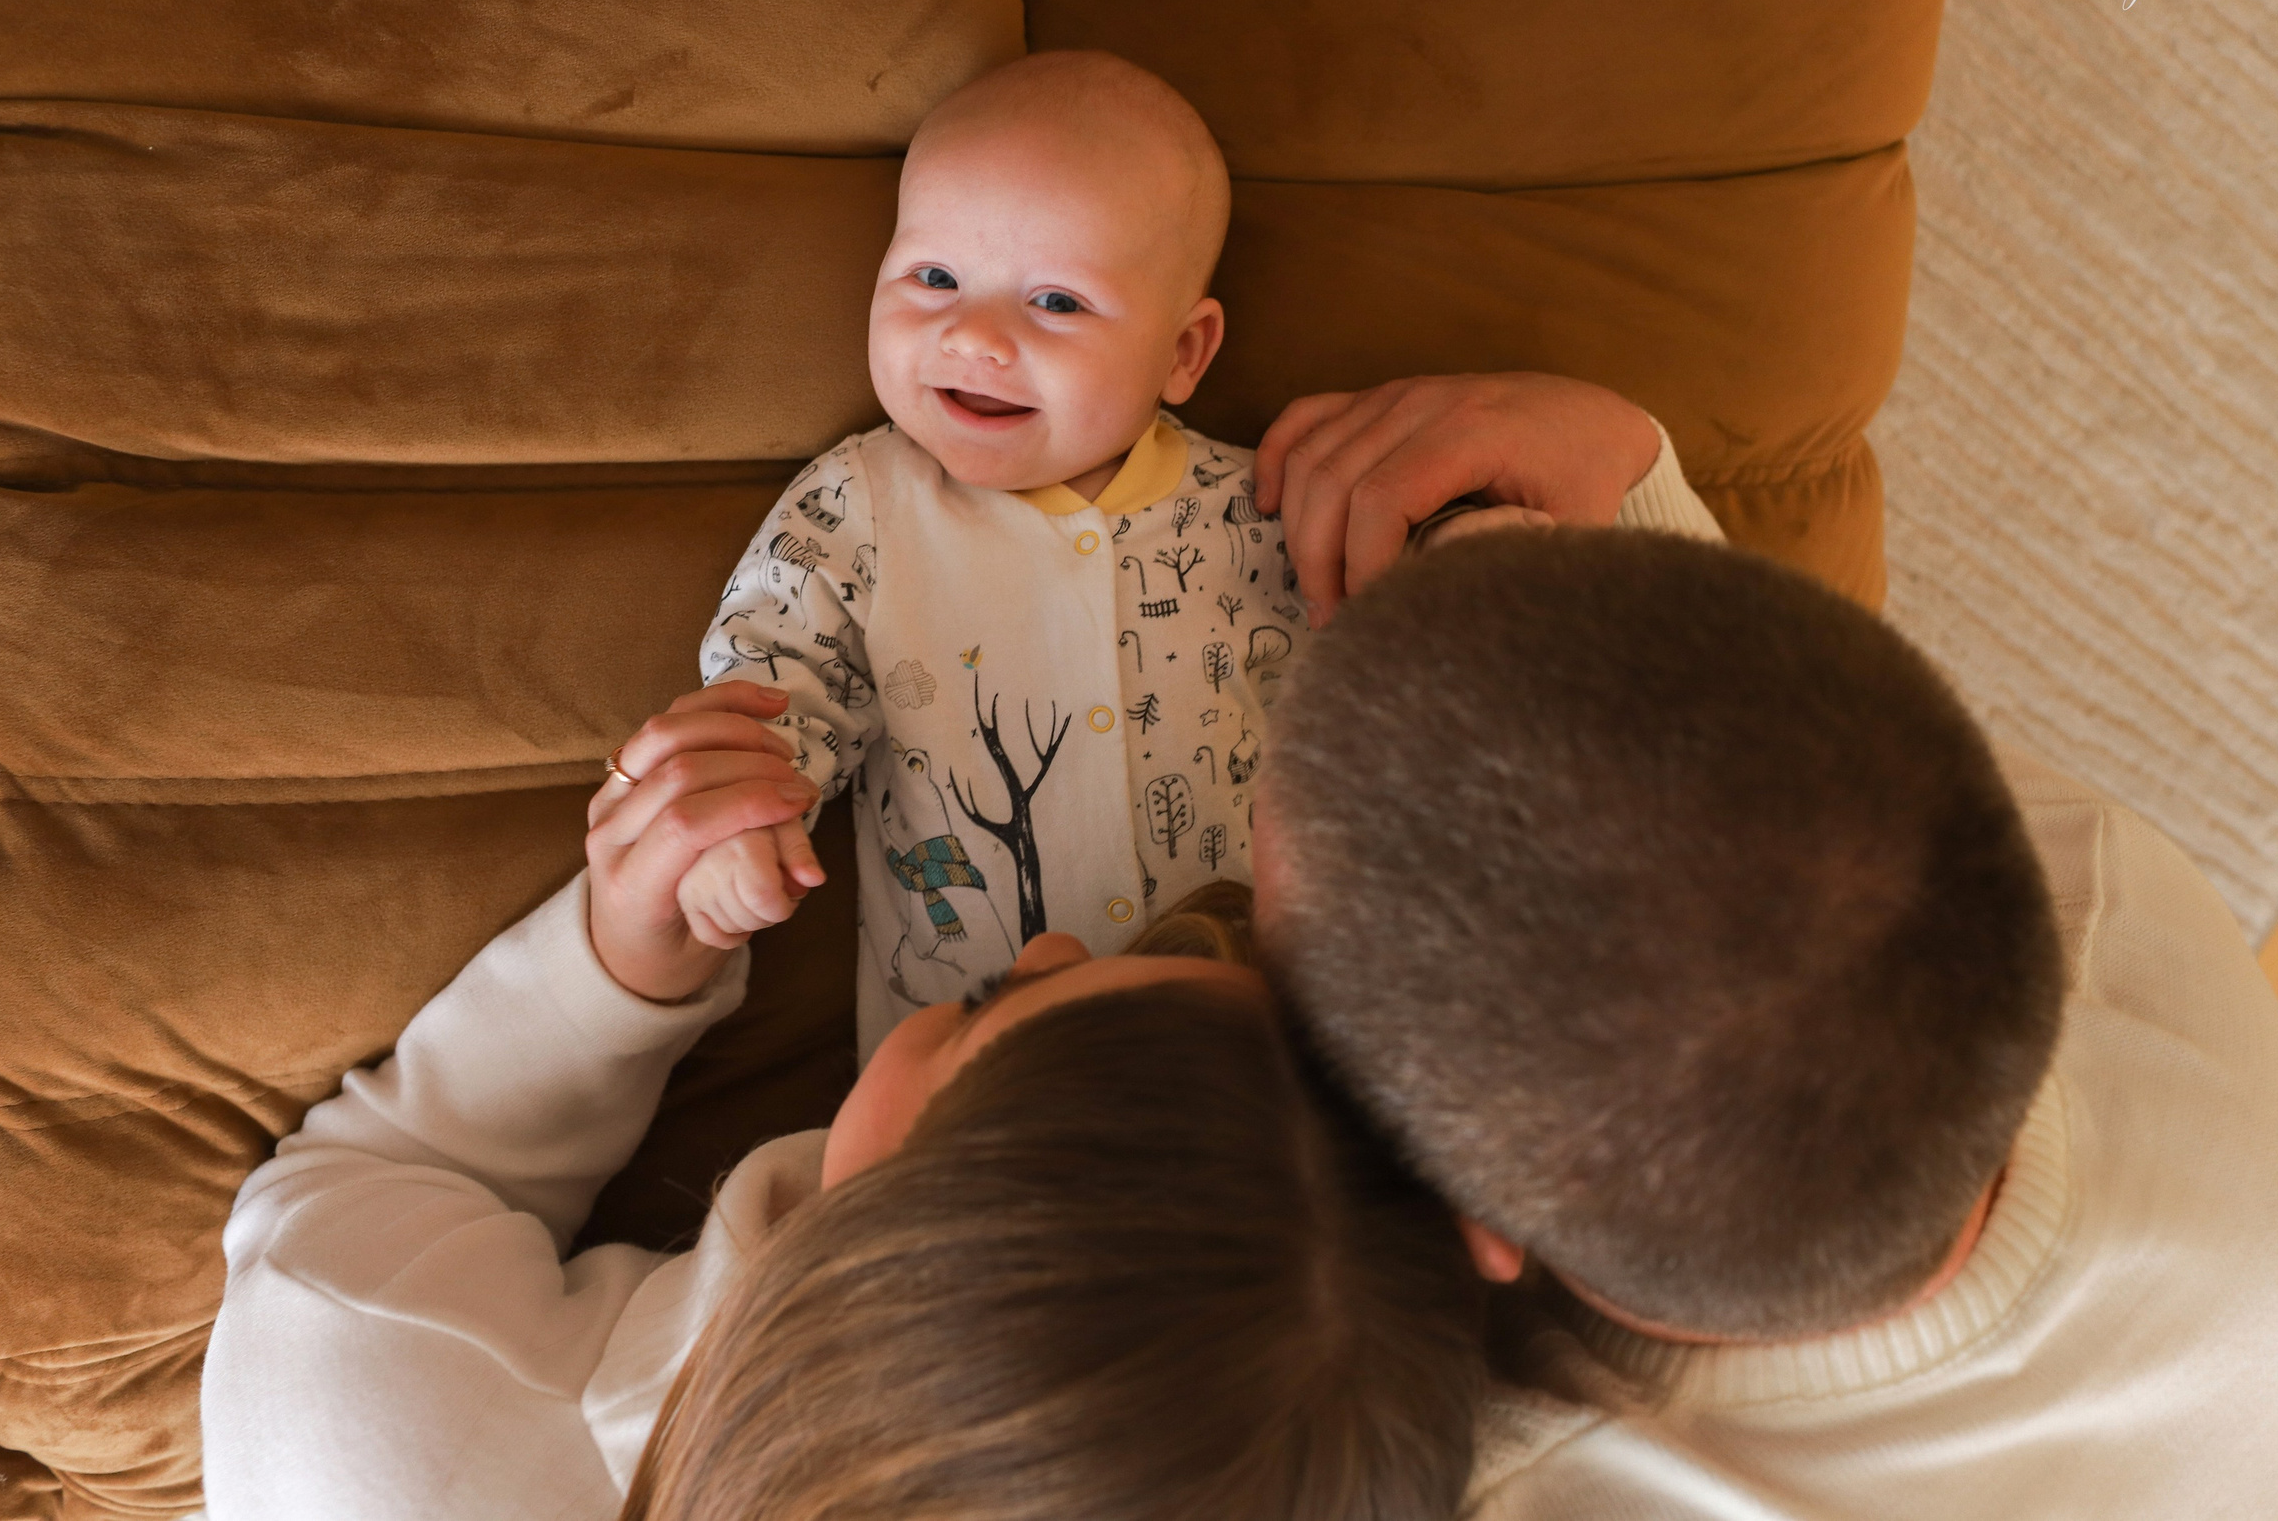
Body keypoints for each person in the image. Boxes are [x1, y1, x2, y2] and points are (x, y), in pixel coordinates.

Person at [1247, 378, 2278, 1521]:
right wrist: (1630, 479)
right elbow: (1803, 783)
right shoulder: (2105, 890)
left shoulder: (1482, 1477)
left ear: (1469, 1224)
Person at [200, 704, 1488, 1521]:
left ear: (868, 1183)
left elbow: (387, 1169)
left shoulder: (368, 1406)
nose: (1045, 941)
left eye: (985, 1003)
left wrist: (616, 969)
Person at [666, 51, 1714, 1054]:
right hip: (973, 1096)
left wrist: (1475, 554)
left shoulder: (1268, 503)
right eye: (934, 275)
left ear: (1182, 352)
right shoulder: (859, 505)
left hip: (1282, 1048)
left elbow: (1402, 673)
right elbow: (770, 685)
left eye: (1056, 302)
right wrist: (743, 821)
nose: (976, 336)